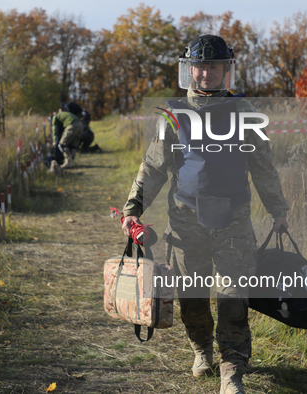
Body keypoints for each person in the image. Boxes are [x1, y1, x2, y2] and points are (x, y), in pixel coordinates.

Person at [121, 34, 290, 394]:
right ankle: (201, 350)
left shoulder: (243, 113)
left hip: (233, 220)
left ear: (225, 70)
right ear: (190, 70)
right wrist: (133, 208)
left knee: (234, 296)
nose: (206, 73)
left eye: (214, 66)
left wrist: (278, 209)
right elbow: (153, 167)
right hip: (186, 219)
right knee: (192, 295)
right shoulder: (174, 114)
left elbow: (262, 166)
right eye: (200, 66)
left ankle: (232, 370)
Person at [50, 102, 84, 171]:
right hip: (80, 125)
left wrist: (54, 140)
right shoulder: (64, 114)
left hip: (72, 125)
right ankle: (71, 161)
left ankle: (68, 162)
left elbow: (55, 129)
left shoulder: (55, 117)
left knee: (62, 144)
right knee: (73, 145)